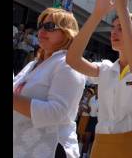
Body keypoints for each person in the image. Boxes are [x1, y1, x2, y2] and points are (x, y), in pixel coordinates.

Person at [66, 0, 132, 158]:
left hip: (130, 147)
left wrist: (123, 8)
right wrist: (97, 14)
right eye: (113, 27)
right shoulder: (106, 68)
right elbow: (73, 59)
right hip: (100, 146)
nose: (113, 32)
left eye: (121, 28)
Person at [13, 8, 86, 158]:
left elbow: (57, 112)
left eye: (50, 27)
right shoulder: (32, 64)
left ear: (67, 33)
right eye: (41, 25)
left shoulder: (68, 64)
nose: (41, 31)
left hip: (51, 149)